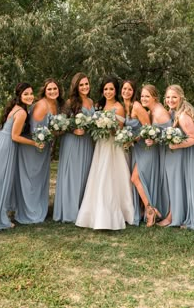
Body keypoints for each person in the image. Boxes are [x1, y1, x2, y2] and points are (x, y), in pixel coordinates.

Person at [0, 82, 42, 232]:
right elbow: (15, 136)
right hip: (4, 146)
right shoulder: (22, 112)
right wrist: (34, 143)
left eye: (31, 93)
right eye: (25, 94)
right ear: (20, 96)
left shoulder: (16, 108)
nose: (29, 96)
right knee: (0, 182)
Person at [75, 76, 134, 230]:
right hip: (101, 146)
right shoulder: (98, 106)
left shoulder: (118, 107)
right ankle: (97, 214)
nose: (108, 92)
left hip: (113, 147)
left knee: (110, 177)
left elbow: (118, 131)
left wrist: (107, 126)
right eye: (106, 89)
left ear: (116, 90)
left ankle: (115, 213)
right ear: (102, 90)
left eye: (111, 89)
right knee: (98, 176)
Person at [158, 85, 194, 229]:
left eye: (174, 97)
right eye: (168, 97)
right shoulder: (174, 111)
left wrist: (174, 145)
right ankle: (190, 216)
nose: (170, 100)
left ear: (181, 98)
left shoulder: (183, 115)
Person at [14, 78, 65, 224]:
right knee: (32, 179)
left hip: (43, 147)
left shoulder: (55, 105)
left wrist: (60, 130)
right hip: (32, 147)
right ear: (44, 91)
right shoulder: (41, 105)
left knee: (40, 178)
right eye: (49, 89)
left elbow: (51, 130)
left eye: (55, 89)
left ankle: (36, 207)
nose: (52, 91)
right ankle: (30, 212)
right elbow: (35, 130)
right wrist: (48, 136)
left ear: (59, 90)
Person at [53, 73, 94, 223]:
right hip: (72, 142)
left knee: (84, 174)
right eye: (81, 85)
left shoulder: (90, 101)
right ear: (76, 87)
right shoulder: (70, 103)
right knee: (72, 174)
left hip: (87, 142)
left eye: (86, 84)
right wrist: (73, 129)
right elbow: (61, 124)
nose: (84, 87)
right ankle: (70, 211)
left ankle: (81, 208)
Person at [121, 80, 161, 227]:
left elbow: (148, 129)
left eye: (130, 89)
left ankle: (151, 210)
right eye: (124, 88)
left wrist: (133, 138)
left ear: (134, 92)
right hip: (136, 149)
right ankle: (147, 209)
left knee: (135, 178)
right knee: (139, 179)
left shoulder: (137, 106)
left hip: (146, 148)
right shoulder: (124, 107)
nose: (126, 91)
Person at [140, 84, 171, 224]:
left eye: (147, 96)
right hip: (156, 151)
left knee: (136, 177)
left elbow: (170, 134)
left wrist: (155, 141)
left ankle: (159, 213)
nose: (144, 98)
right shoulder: (152, 111)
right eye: (142, 96)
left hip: (166, 153)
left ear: (155, 97)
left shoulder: (159, 112)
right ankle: (153, 210)